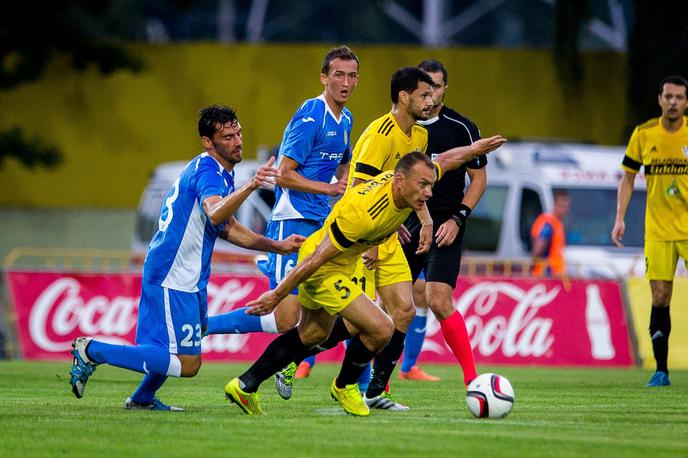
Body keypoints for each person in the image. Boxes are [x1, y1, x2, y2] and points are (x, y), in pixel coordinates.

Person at [225, 144, 504, 417]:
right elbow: (315, 260)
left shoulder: (408, 185)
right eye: (423, 185)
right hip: (324, 267)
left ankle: (244, 385)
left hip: (338, 262)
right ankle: (345, 386)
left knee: (313, 334)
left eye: (430, 185)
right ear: (399, 181)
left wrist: (476, 148)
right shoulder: (364, 215)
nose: (428, 193)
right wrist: (276, 296)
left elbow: (446, 159)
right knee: (382, 328)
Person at [68, 105, 304, 410]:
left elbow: (228, 228)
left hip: (182, 273)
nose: (238, 141)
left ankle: (141, 399)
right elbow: (216, 211)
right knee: (187, 363)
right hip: (174, 274)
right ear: (208, 141)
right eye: (228, 136)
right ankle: (92, 350)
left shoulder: (217, 173)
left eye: (239, 133)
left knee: (167, 347)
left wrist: (277, 246)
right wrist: (252, 184)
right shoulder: (209, 172)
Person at [203, 45, 357, 338]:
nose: (346, 83)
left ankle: (349, 382)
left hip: (322, 221)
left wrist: (349, 188)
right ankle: (204, 328)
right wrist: (330, 188)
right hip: (294, 218)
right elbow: (283, 175)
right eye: (339, 75)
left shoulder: (346, 119)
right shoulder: (312, 115)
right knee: (286, 320)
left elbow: (344, 165)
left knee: (327, 310)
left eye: (352, 76)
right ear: (324, 77)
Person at [398, 59, 489, 386]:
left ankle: (472, 379)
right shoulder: (404, 128)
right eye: (425, 89)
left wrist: (458, 217)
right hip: (406, 225)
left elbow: (479, 180)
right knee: (392, 302)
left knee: (438, 299)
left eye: (436, 87)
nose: (430, 95)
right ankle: (377, 384)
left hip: (446, 227)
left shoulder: (461, 128)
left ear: (445, 88)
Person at [611, 75, 688, 388]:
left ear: (686, 102)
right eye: (668, 96)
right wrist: (620, 218)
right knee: (660, 295)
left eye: (679, 97)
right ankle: (661, 370)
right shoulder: (644, 134)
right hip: (657, 231)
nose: (673, 102)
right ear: (659, 99)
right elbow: (628, 178)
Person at [531, 190, 571, 277]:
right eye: (561, 205)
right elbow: (537, 250)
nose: (564, 209)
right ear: (554, 205)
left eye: (566, 206)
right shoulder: (549, 224)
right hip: (547, 275)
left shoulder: (558, 223)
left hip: (555, 274)